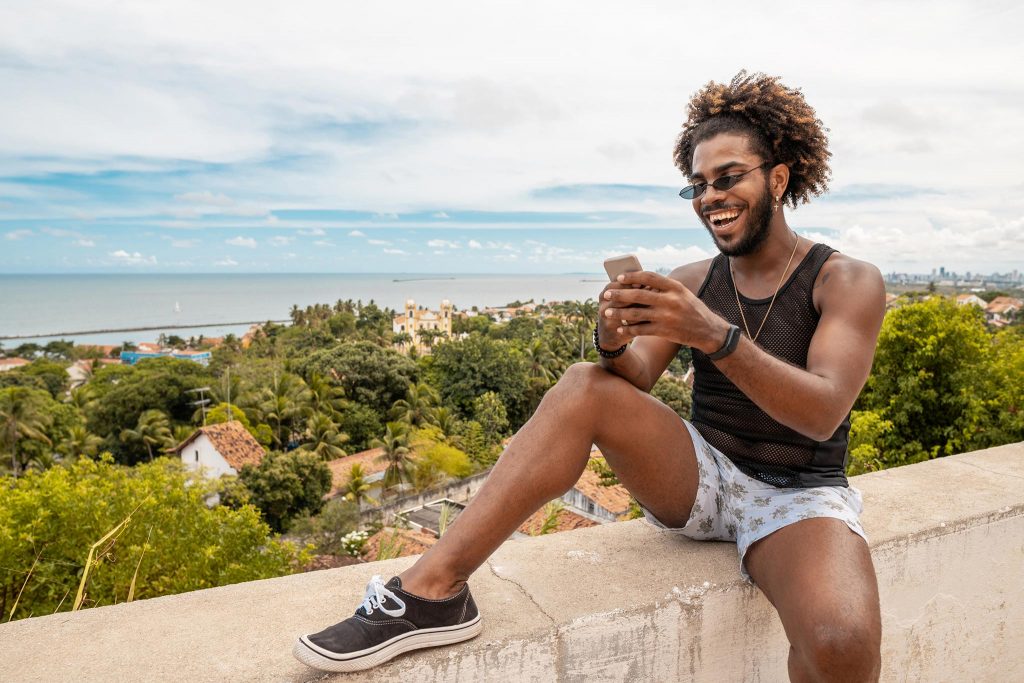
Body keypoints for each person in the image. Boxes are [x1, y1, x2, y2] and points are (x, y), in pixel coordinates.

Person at [293, 71, 886, 681]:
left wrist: (712, 334)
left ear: (778, 177)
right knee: (583, 383)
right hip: (702, 476)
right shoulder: (693, 278)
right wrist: (611, 340)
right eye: (698, 185)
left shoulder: (844, 280)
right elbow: (630, 380)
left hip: (796, 495)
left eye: (728, 177)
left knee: (841, 641)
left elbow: (823, 410)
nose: (711, 196)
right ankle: (431, 593)